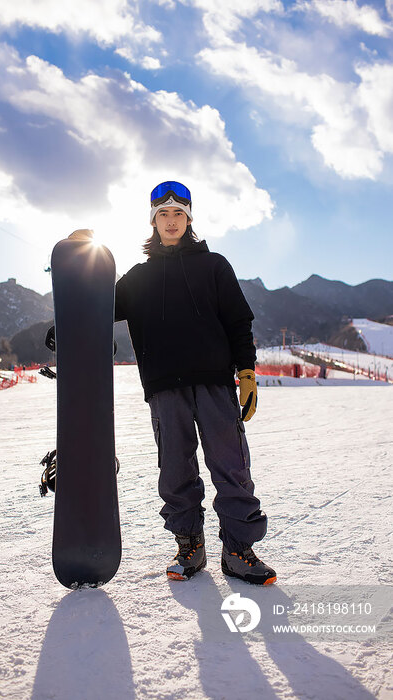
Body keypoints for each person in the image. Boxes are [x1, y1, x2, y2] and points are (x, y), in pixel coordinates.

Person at [115, 181, 276, 585]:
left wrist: (246, 371)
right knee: (174, 469)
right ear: (153, 222)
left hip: (214, 383)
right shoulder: (136, 279)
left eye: (178, 215)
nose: (171, 222)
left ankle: (238, 549)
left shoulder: (214, 265)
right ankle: (191, 545)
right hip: (164, 387)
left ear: (189, 219)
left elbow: (239, 321)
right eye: (163, 215)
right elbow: (95, 308)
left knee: (231, 464)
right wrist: (61, 324)